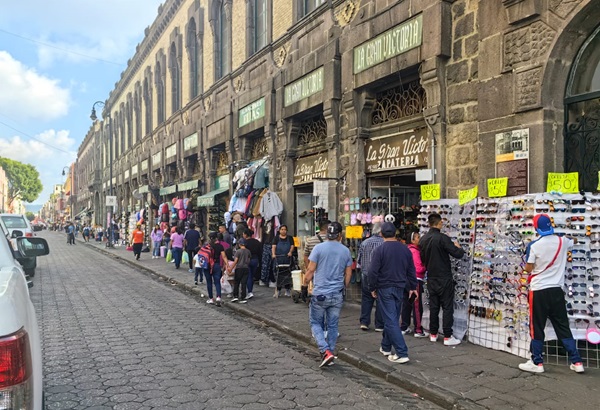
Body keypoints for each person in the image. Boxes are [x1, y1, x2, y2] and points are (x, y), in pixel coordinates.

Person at [518, 214, 584, 374]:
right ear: (551, 225)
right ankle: (577, 361)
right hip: (556, 290)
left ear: (536, 228)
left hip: (539, 291)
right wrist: (567, 236)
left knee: (537, 327)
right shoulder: (563, 242)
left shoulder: (534, 246)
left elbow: (528, 268)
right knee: (563, 326)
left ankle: (537, 362)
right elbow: (573, 240)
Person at [302, 221, 352, 367]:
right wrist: (344, 287)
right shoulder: (345, 251)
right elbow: (348, 273)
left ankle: (325, 351)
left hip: (320, 293)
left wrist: (305, 286)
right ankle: (329, 352)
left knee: (315, 322)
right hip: (337, 293)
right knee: (333, 325)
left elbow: (310, 270)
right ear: (340, 235)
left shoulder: (318, 248)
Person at [368, 222, 418, 364]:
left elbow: (372, 271)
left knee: (390, 320)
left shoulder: (380, 250)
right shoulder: (405, 250)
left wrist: (372, 287)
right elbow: (411, 270)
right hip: (400, 287)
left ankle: (402, 352)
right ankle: (385, 346)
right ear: (395, 233)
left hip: (385, 287)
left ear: (381, 234)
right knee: (393, 318)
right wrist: (413, 287)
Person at [419, 213, 465, 346]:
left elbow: (422, 259)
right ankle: (447, 336)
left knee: (434, 307)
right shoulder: (443, 238)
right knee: (447, 307)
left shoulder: (423, 240)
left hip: (431, 277)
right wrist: (459, 248)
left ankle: (433, 334)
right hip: (444, 277)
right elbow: (457, 254)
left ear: (428, 224)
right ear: (439, 224)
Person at [357, 222, 384, 332]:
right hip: (380, 274)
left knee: (366, 298)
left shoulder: (365, 243)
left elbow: (359, 260)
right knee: (380, 299)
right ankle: (379, 324)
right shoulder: (384, 243)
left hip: (366, 274)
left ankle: (364, 322)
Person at [401, 231, 428, 338]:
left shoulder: (407, 250)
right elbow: (418, 268)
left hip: (406, 279)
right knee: (416, 305)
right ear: (413, 240)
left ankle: (404, 327)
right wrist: (426, 266)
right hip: (415, 280)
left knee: (406, 304)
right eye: (418, 237)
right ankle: (418, 329)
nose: (419, 239)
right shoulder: (414, 251)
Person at [205, 232, 228, 306]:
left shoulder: (207, 246)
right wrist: (228, 265)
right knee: (217, 282)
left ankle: (211, 298)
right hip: (217, 265)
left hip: (208, 265)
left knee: (209, 282)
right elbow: (224, 256)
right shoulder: (220, 246)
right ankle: (218, 297)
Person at [272, 225, 295, 297]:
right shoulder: (276, 238)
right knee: (279, 274)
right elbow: (273, 246)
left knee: (287, 273)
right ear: (279, 230)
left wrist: (290, 252)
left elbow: (292, 246)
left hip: (287, 258)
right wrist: (273, 254)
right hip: (279, 258)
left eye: (285, 229)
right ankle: (278, 290)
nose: (283, 231)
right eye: (282, 229)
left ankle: (287, 289)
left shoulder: (290, 238)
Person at [228, 238, 252, 303]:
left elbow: (235, 261)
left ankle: (235, 296)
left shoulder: (238, 251)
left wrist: (231, 268)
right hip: (246, 268)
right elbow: (249, 260)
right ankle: (243, 297)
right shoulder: (248, 251)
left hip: (239, 268)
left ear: (240, 244)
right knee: (244, 283)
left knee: (237, 282)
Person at [242, 229, 262, 299]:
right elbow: (260, 252)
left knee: (248, 276)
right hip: (255, 260)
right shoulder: (257, 242)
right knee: (252, 276)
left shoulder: (244, 243)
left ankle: (250, 291)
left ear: (245, 235)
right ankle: (250, 290)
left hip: (247, 260)